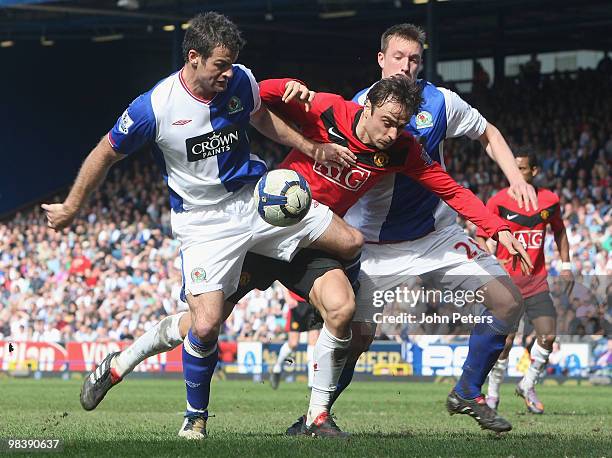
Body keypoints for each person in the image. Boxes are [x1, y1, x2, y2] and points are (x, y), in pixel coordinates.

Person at [78, 74, 532, 437]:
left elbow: (448, 188)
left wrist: (499, 229)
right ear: (368, 107)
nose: (392, 133)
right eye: (387, 122)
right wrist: (285, 86)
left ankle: (317, 419)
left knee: (344, 306)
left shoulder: (401, 149)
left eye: (401, 125)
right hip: (263, 227)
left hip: (313, 238)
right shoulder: (329, 108)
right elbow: (259, 96)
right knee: (198, 323)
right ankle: (118, 365)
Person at [43, 11, 364, 440]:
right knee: (206, 324)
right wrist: (71, 206)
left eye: (232, 63)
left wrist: (311, 147)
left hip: (257, 202)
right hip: (204, 223)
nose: (228, 73)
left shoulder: (240, 81)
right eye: (220, 64)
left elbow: (260, 116)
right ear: (193, 57)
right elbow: (105, 152)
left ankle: (324, 327)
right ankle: (194, 417)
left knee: (350, 241)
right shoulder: (154, 108)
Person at [312, 23, 540, 434]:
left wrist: (516, 180)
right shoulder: (358, 109)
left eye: (414, 59)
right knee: (358, 337)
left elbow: (487, 132)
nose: (406, 66)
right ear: (381, 60)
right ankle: (316, 415)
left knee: (508, 302)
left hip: (436, 235)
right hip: (376, 246)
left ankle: (468, 392)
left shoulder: (440, 102)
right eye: (398, 57)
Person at [479, 150, 573, 414]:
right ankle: (493, 395)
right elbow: (480, 235)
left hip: (537, 282)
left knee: (548, 335)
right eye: (513, 168)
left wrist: (566, 266)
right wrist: (488, 261)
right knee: (504, 342)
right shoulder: (498, 201)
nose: (516, 174)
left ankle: (527, 384)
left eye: (521, 169)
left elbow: (560, 230)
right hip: (507, 285)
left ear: (534, 172)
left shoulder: (549, 200)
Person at [269, 290, 321, 390]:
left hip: (312, 302)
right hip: (296, 304)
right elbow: (282, 279)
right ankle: (277, 367)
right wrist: (288, 298)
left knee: (313, 341)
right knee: (293, 344)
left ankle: (311, 383)